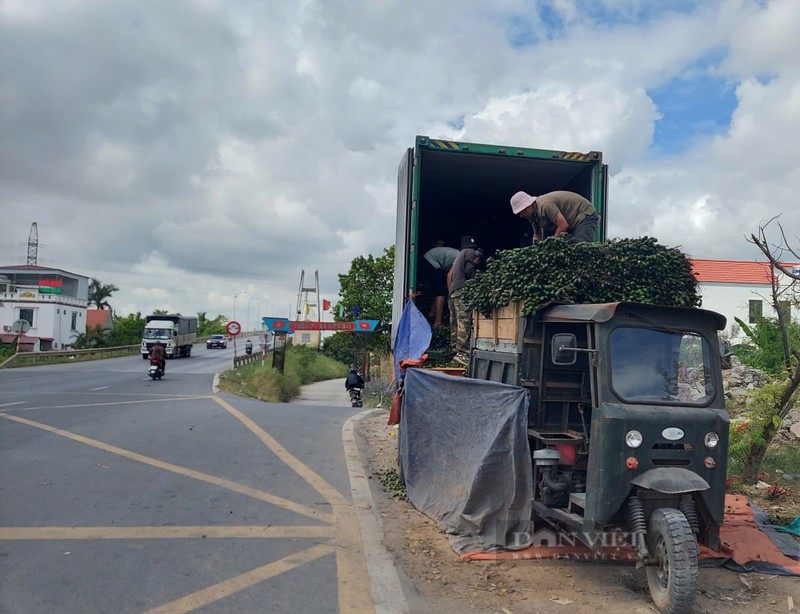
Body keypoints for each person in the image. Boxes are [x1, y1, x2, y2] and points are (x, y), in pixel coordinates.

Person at [447, 235, 484, 365]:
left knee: (455, 322)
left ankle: (454, 352)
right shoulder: (470, 252)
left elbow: (449, 275)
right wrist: (476, 283)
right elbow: (469, 270)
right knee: (464, 320)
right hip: (462, 290)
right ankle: (462, 353)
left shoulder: (458, 255)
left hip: (453, 292)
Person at [510, 190, 599, 242]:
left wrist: (551, 245)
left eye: (522, 211)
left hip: (583, 213)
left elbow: (563, 225)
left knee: (581, 247)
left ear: (528, 205)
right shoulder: (532, 216)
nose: (521, 215)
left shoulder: (545, 205)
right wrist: (535, 250)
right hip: (570, 221)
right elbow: (537, 233)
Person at [421, 239, 460, 328]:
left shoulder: (457, 255)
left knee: (441, 289)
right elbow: (450, 275)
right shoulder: (460, 259)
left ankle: (432, 313)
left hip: (432, 262)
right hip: (430, 261)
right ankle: (437, 323)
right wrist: (451, 293)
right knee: (441, 293)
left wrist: (448, 286)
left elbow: (449, 276)